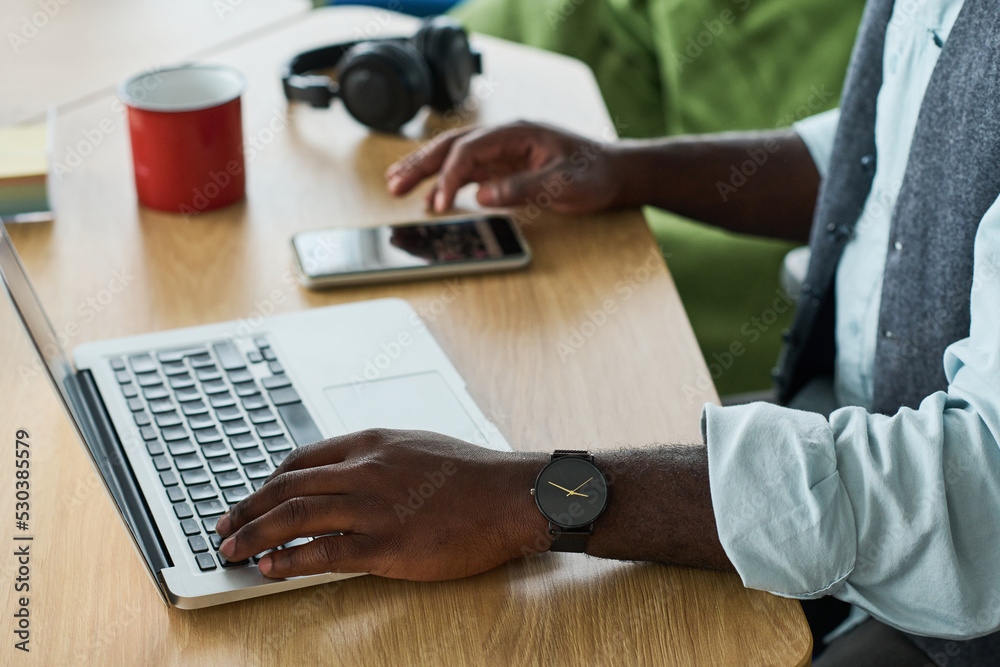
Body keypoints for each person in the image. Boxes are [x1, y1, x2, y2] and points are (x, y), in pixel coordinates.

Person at [214, 0, 1000, 663]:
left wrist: (523, 496)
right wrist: (631, 170)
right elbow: (885, 152)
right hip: (853, 444)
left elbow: (977, 500)